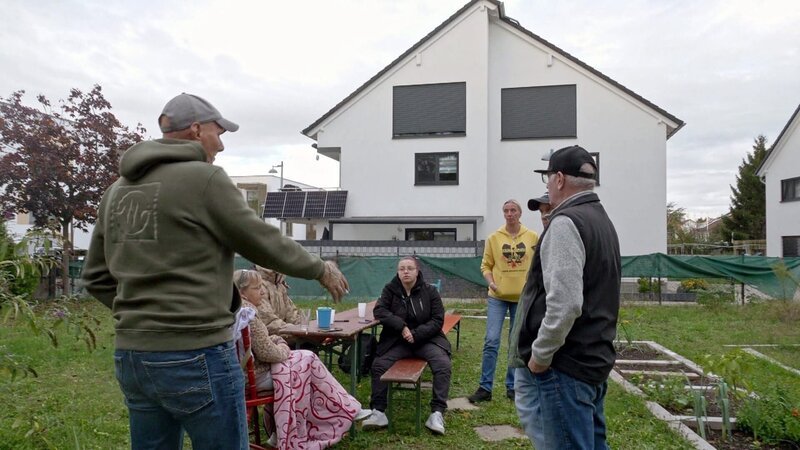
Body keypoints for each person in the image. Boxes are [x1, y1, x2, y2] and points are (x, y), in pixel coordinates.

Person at [81, 93, 349, 450]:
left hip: (133, 356)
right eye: (218, 132)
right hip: (197, 352)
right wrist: (318, 267)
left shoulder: (115, 192)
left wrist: (143, 317)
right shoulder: (204, 180)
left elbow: (96, 276)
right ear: (195, 129)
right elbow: (260, 239)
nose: (221, 144)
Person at [514, 145, 621, 449]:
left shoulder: (565, 223)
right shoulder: (602, 221)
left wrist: (540, 355)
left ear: (559, 179)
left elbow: (565, 303)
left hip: (567, 366)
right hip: (594, 360)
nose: (547, 186)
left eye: (547, 179)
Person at [233, 269, 370, 448]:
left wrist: (277, 340)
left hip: (242, 373)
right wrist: (283, 346)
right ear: (242, 292)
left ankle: (281, 431)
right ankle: (344, 410)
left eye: (261, 287)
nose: (262, 291)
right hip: (253, 377)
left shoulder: (237, 309)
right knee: (307, 362)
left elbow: (263, 340)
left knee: (307, 361)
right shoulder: (248, 313)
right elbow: (268, 352)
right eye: (257, 288)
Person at [362, 256, 452, 435]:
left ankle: (436, 413)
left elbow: (437, 319)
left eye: (410, 268)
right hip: (397, 341)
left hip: (426, 340)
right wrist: (401, 326)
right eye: (402, 268)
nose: (406, 271)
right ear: (397, 272)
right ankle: (379, 412)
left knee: (443, 365)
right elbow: (380, 311)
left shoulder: (430, 291)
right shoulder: (390, 289)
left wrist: (417, 334)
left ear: (417, 271)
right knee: (379, 365)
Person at [468, 200, 539, 403]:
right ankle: (485, 387)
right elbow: (486, 266)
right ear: (503, 214)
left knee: (515, 343)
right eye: (506, 211)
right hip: (497, 298)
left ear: (520, 213)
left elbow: (537, 265)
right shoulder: (494, 238)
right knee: (491, 340)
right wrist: (491, 283)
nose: (510, 214)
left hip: (522, 299)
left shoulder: (532, 236)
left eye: (513, 210)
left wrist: (532, 287)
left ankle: (512, 386)